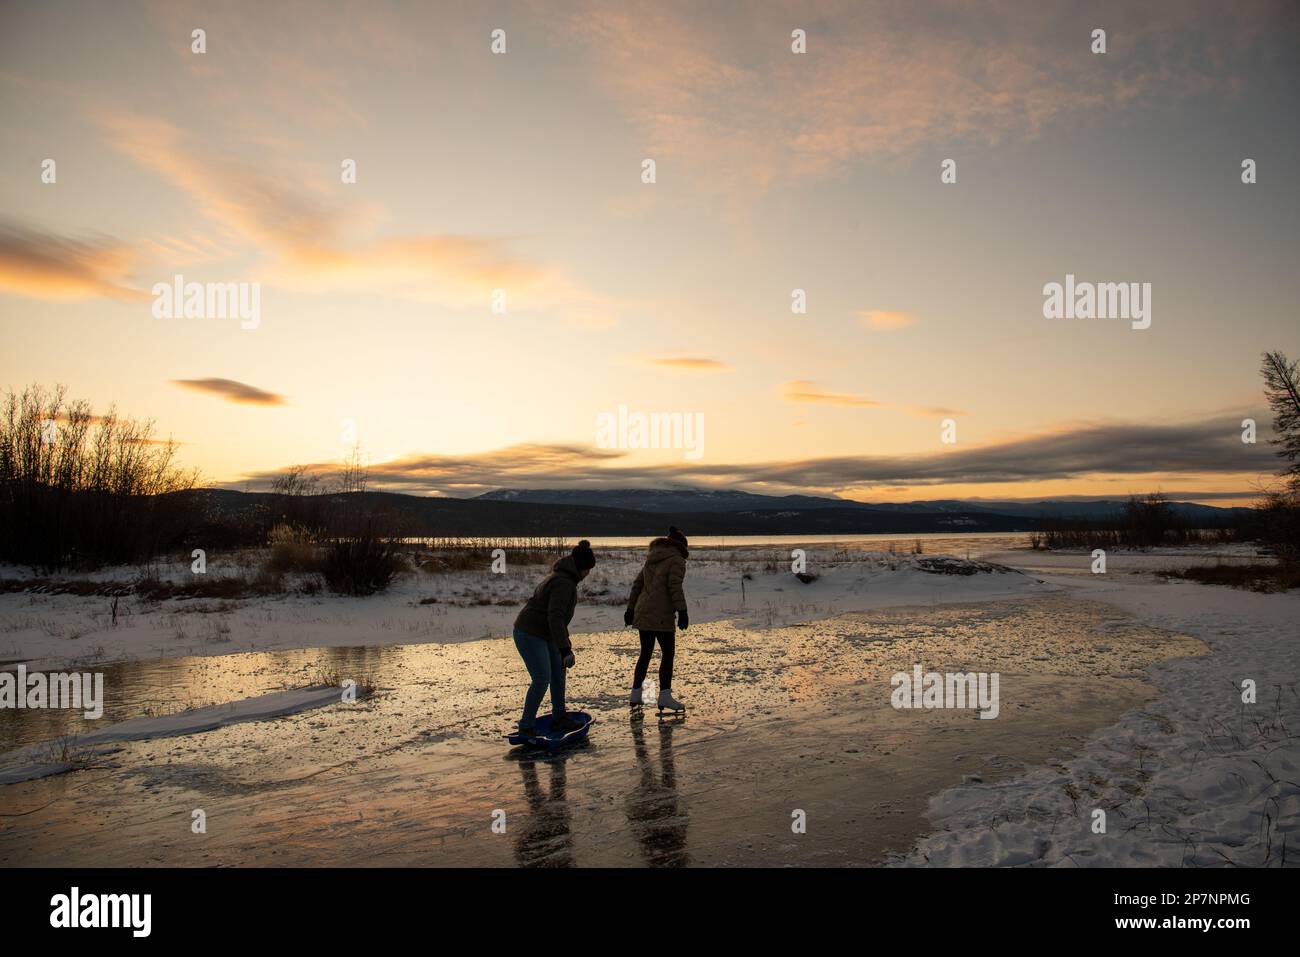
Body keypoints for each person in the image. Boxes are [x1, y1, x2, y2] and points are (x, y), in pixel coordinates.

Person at [512, 539, 596, 735]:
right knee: (542, 678)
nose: (588, 574)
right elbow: (555, 616)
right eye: (587, 569)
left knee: (559, 672)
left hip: (546, 633)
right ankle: (526, 726)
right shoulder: (563, 582)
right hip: (529, 633)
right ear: (580, 567)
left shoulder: (565, 577)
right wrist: (565, 648)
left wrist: (563, 645)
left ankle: (559, 718)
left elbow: (557, 621)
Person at [623, 526, 689, 712]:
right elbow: (674, 586)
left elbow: (638, 584)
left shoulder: (652, 558)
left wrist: (630, 609)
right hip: (660, 615)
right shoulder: (676, 560)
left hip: (643, 612)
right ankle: (664, 697)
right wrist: (682, 611)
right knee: (668, 653)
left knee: (646, 653)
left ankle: (636, 694)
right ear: (680, 546)